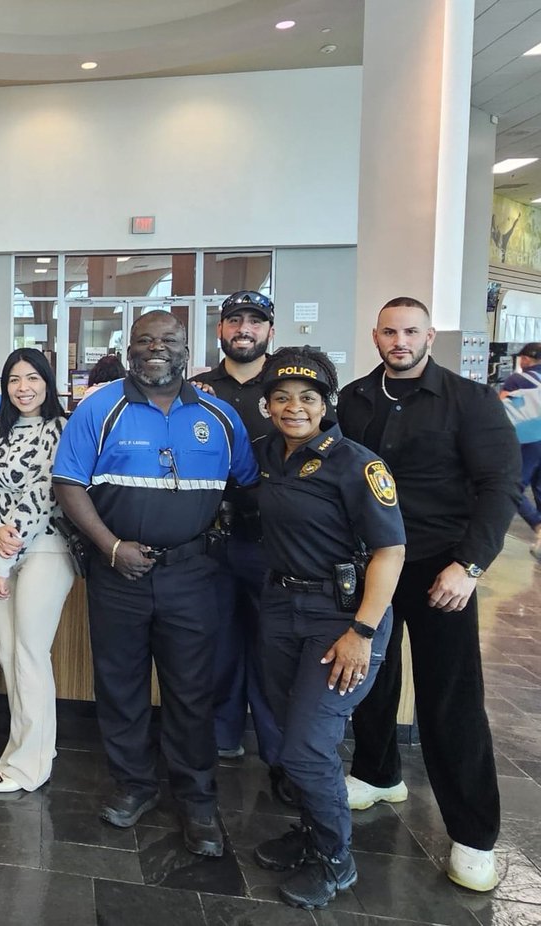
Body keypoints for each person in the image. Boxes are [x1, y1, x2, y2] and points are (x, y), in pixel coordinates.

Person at [52, 311, 257, 858]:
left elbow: (248, 486)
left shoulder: (217, 412)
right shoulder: (99, 407)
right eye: (144, 340)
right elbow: (68, 484)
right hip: (117, 570)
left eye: (167, 340)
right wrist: (111, 547)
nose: (155, 349)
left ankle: (197, 800)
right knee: (119, 684)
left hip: (194, 574)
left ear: (187, 348)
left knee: (192, 690)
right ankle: (133, 785)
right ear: (127, 348)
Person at [338, 297, 520, 892]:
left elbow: (500, 486)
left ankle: (473, 835)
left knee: (451, 699)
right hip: (370, 566)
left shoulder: (469, 401)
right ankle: (377, 772)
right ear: (375, 335)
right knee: (369, 678)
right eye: (389, 331)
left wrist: (469, 565)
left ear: (430, 335)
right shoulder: (355, 399)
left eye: (411, 331)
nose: (400, 341)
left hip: (442, 569)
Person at [249, 347, 405, 910]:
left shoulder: (356, 464)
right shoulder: (265, 454)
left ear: (327, 404)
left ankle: (336, 860)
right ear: (267, 405)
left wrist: (362, 632)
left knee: (308, 746)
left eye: (308, 398)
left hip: (341, 620)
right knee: (288, 733)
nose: (295, 408)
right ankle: (311, 832)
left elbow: (390, 550)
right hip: (280, 609)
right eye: (282, 398)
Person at [189, 291, 288, 801]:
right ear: (221, 329)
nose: (243, 329)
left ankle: (278, 752)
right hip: (215, 539)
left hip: (277, 545)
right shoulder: (199, 390)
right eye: (234, 321)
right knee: (221, 642)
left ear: (270, 330)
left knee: (272, 649)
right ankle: (224, 735)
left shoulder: (290, 386)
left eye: (255, 321)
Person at [0, 348, 73, 793]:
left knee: (31, 655)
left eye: (32, 378)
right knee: (10, 656)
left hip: (47, 550)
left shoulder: (61, 430)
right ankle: (33, 748)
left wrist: (1, 559)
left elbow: (40, 499)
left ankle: (26, 768)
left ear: (48, 383)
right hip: (3, 549)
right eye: (14, 379)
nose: (23, 387)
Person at [499, 342, 541, 559]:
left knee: (513, 485)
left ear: (526, 359)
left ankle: (537, 525)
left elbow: (498, 407)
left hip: (527, 440)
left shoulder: (518, 379)